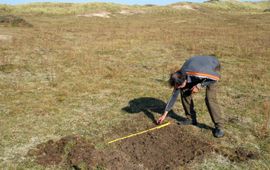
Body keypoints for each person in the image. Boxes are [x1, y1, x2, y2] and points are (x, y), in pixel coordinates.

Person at [157, 55, 224, 138]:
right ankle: (191, 119)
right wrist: (164, 114)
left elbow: (216, 78)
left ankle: (219, 127)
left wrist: (199, 85)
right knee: (184, 91)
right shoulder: (180, 75)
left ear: (185, 80)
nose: (178, 87)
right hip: (197, 67)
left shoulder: (200, 73)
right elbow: (174, 95)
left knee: (210, 99)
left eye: (179, 85)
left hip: (212, 68)